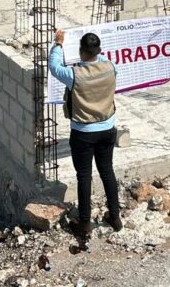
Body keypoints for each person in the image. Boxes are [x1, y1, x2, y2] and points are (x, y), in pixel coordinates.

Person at [48, 29, 122, 239]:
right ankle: (115, 217)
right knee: (107, 172)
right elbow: (103, 59)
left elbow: (54, 67)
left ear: (81, 52)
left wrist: (58, 44)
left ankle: (85, 222)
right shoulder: (110, 67)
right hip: (107, 129)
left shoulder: (75, 75)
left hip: (83, 133)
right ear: (99, 50)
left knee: (84, 176)